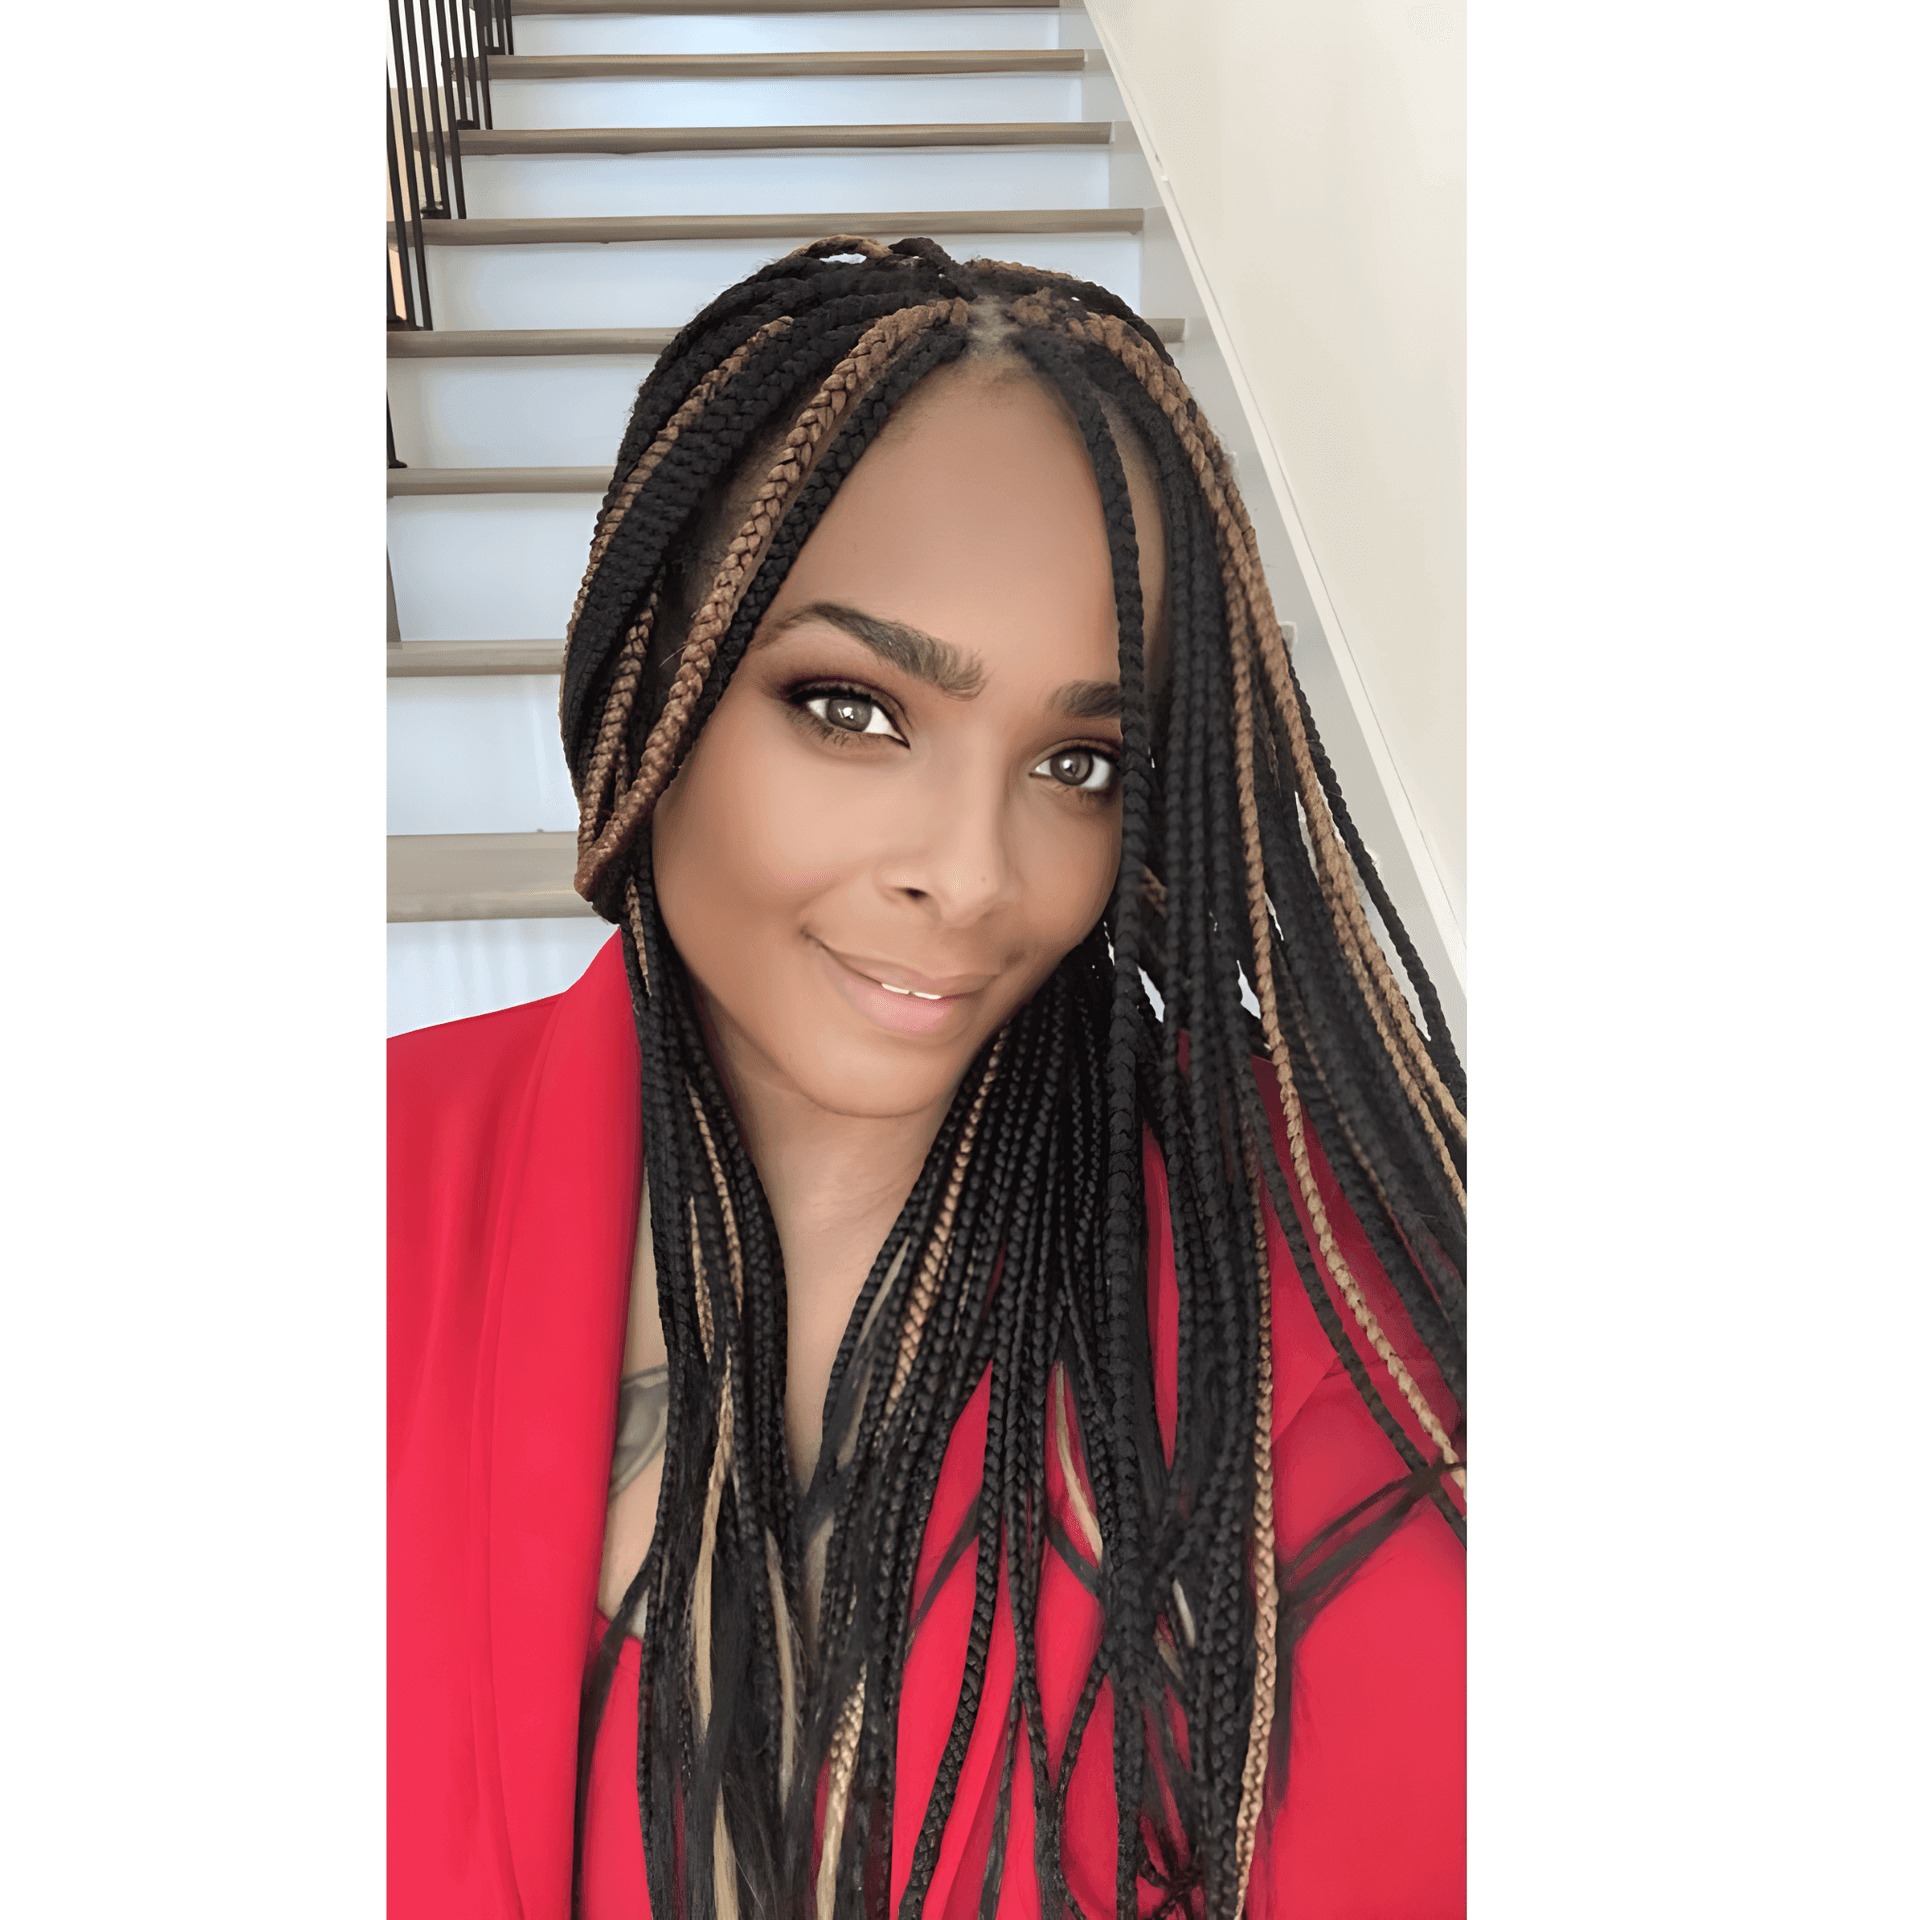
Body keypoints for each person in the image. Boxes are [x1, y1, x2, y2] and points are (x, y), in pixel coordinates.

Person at [389, 236, 1465, 1920]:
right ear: (655, 676)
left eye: (1078, 761)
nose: (972, 876)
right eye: (853, 708)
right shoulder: (372, 1182)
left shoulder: (1306, 1266)